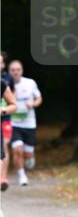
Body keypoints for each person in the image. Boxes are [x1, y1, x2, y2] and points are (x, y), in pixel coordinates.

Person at [8, 59, 42, 187]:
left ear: (22, 71)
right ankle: (21, 175)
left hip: (29, 122)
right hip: (14, 123)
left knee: (28, 154)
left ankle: (30, 157)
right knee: (17, 149)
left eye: (18, 70)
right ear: (9, 71)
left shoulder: (30, 83)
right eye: (13, 70)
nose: (15, 72)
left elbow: (39, 98)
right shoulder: (5, 85)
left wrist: (32, 103)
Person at [0, 52, 15, 191]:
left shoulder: (5, 81)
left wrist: (2, 110)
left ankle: (3, 177)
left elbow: (13, 103)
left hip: (4, 120)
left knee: (4, 146)